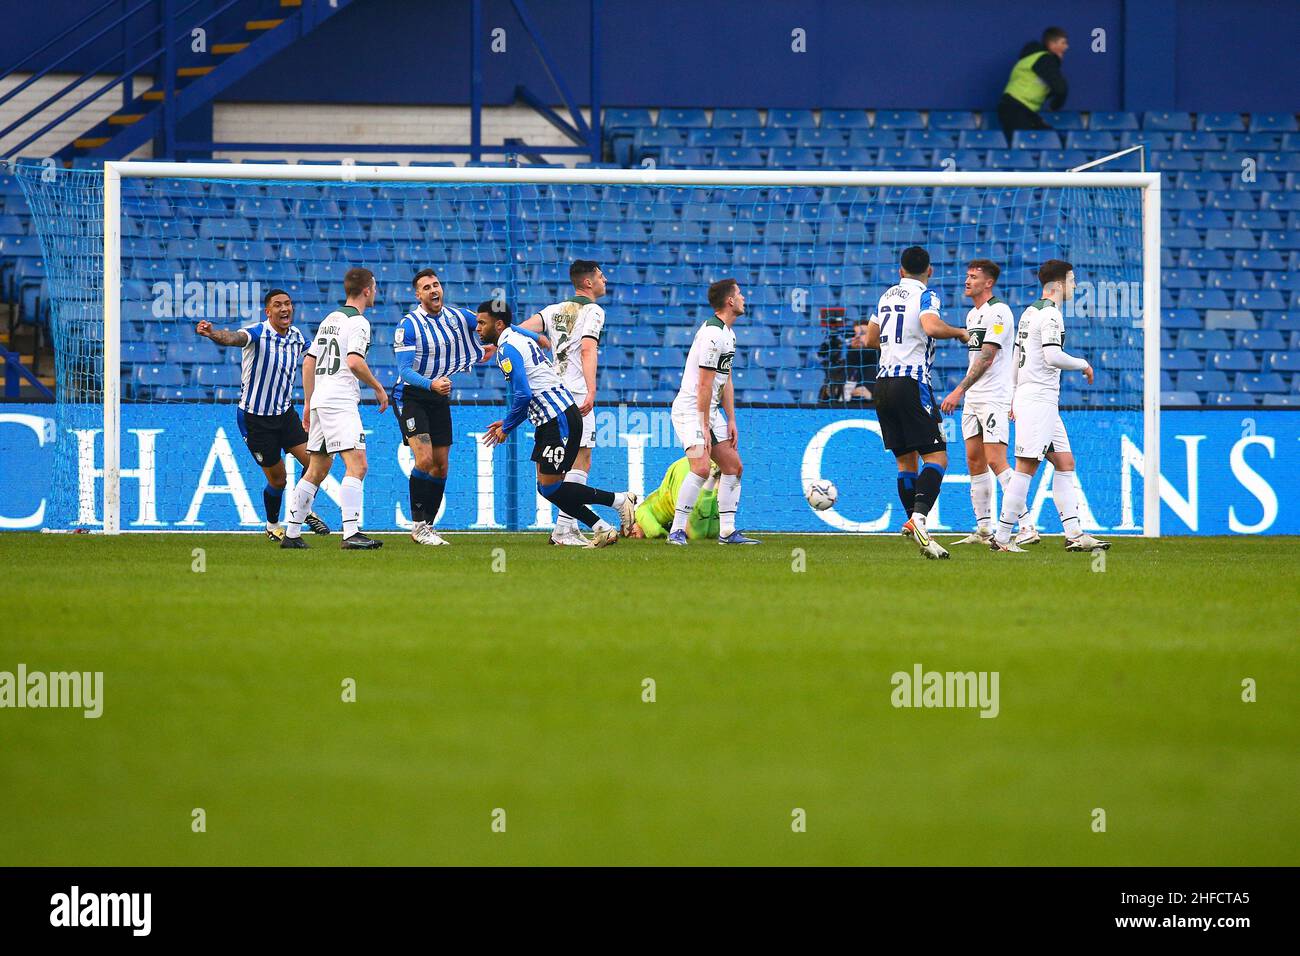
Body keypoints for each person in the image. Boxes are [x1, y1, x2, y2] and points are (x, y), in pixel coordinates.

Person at [475, 300, 635, 547]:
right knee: (548, 486)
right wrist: (509, 420)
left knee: (550, 487)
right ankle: (599, 527)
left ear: (498, 324)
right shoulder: (519, 338)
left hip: (557, 420)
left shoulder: (507, 349)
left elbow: (524, 395)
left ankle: (617, 501)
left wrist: (507, 426)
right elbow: (529, 389)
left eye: (481, 323)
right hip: (557, 416)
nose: (477, 328)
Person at [991, 260, 1110, 553]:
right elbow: (1053, 357)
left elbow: (1017, 355)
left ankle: (1074, 533)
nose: (1075, 286)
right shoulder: (1052, 317)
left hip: (1038, 399)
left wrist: (1014, 395)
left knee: (1065, 463)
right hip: (1039, 400)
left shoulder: (1030, 312)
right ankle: (1002, 538)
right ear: (1057, 285)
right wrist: (1083, 364)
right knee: (1025, 468)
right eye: (1072, 281)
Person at [861, 246, 969, 560]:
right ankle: (919, 518)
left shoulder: (884, 297)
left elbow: (870, 340)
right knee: (937, 458)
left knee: (906, 462)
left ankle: (915, 525)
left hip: (882, 384)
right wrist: (960, 332)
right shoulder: (927, 295)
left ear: (900, 270)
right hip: (912, 382)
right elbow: (932, 327)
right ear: (929, 271)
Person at [196, 288, 329, 541]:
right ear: (268, 312)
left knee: (316, 464)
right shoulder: (257, 333)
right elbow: (233, 338)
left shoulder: (297, 336)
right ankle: (271, 525)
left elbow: (316, 356)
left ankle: (303, 509)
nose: (284, 309)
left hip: (285, 413)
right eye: (278, 305)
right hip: (255, 419)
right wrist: (213, 333)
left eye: (288, 304)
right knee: (279, 480)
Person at [282, 267, 389, 550]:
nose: (375, 292)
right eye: (374, 287)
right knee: (358, 465)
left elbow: (309, 362)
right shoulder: (360, 323)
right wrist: (378, 388)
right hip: (340, 401)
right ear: (367, 290)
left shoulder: (331, 318)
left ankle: (291, 534)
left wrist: (308, 403)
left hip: (320, 400)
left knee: (317, 468)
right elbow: (354, 361)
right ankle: (351, 533)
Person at [392, 268, 492, 547]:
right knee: (424, 460)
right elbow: (404, 370)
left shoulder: (457, 316)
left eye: (436, 285)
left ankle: (429, 526)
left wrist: (528, 336)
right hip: (411, 395)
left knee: (441, 466)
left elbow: (495, 324)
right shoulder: (408, 325)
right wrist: (431, 383)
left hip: (438, 396)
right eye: (426, 287)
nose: (433, 290)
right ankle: (418, 525)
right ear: (418, 295)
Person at [940, 259, 1033, 547]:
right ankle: (983, 529)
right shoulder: (972, 315)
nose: (967, 281)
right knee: (974, 460)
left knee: (995, 459)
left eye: (973, 277)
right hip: (975, 398)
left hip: (994, 396)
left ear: (988, 283)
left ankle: (1027, 525)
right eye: (966, 276)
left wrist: (958, 390)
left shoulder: (1000, 312)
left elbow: (987, 356)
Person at [519, 260, 609, 546]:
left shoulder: (553, 310)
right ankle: (565, 529)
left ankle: (564, 529)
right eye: (600, 276)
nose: (604, 280)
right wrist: (592, 390)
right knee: (580, 459)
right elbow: (587, 348)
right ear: (588, 283)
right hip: (578, 395)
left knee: (560, 463)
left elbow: (517, 330)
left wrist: (538, 339)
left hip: (552, 393)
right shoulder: (593, 310)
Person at [666, 278, 758, 545]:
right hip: (691, 409)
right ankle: (676, 531)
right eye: (739, 294)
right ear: (729, 301)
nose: (743, 298)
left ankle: (727, 532)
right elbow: (705, 384)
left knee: (733, 466)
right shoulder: (712, 334)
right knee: (702, 467)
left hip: (711, 410)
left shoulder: (728, 334)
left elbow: (725, 378)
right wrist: (703, 425)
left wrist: (731, 419)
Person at [997, 26, 1069, 143]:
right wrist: (1055, 106)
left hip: (1022, 110)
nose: (1066, 47)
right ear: (1052, 44)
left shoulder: (1034, 58)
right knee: (1028, 144)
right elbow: (1061, 88)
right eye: (1063, 43)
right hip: (1015, 108)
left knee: (1052, 140)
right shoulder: (1045, 59)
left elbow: (1049, 87)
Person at [629, 459, 720, 540]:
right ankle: (714, 481)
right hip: (694, 463)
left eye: (629, 530)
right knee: (713, 533)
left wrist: (668, 535)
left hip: (677, 480)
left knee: (696, 535)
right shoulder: (652, 502)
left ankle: (711, 482)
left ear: (632, 521)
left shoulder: (639, 512)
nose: (632, 534)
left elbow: (655, 532)